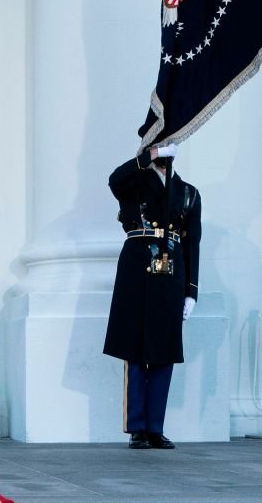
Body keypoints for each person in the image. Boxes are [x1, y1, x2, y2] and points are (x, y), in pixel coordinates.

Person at [103, 142, 200, 450]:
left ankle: (155, 427)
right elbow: (114, 178)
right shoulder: (134, 181)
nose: (162, 155)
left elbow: (192, 244)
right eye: (157, 149)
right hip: (136, 267)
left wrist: (191, 292)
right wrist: (150, 157)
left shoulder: (188, 192)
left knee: (164, 350)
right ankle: (136, 428)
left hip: (170, 272)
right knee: (134, 348)